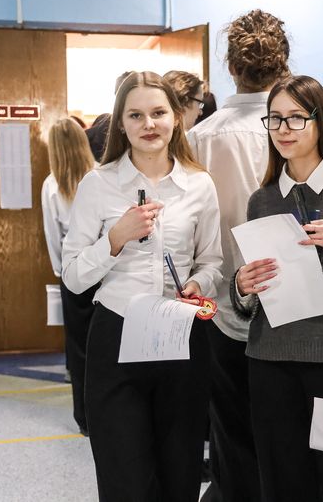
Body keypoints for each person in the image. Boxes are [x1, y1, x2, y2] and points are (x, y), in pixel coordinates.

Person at [61, 71, 223, 501]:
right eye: (135, 115)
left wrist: (198, 282)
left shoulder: (199, 185)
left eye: (158, 113)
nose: (148, 124)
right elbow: (72, 275)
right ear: (120, 123)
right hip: (116, 335)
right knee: (125, 478)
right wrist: (115, 239)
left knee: (179, 474)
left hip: (180, 334)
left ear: (176, 118)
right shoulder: (98, 184)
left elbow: (212, 261)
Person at [231, 75, 323, 502]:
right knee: (282, 486)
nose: (283, 129)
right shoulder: (261, 199)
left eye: (296, 118)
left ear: (321, 122)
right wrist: (242, 286)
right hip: (269, 362)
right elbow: (254, 299)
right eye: (275, 119)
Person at [187, 9, 290, 502]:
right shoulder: (297, 132)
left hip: (222, 307)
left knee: (231, 432)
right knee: (290, 436)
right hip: (294, 310)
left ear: (230, 67)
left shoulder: (198, 139)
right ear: (284, 66)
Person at [41, 117, 97, 436]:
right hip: (104, 269)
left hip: (73, 273)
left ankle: (84, 418)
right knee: (106, 343)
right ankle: (108, 412)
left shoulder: (52, 185)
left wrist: (59, 271)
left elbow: (52, 236)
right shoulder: (100, 176)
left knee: (77, 348)